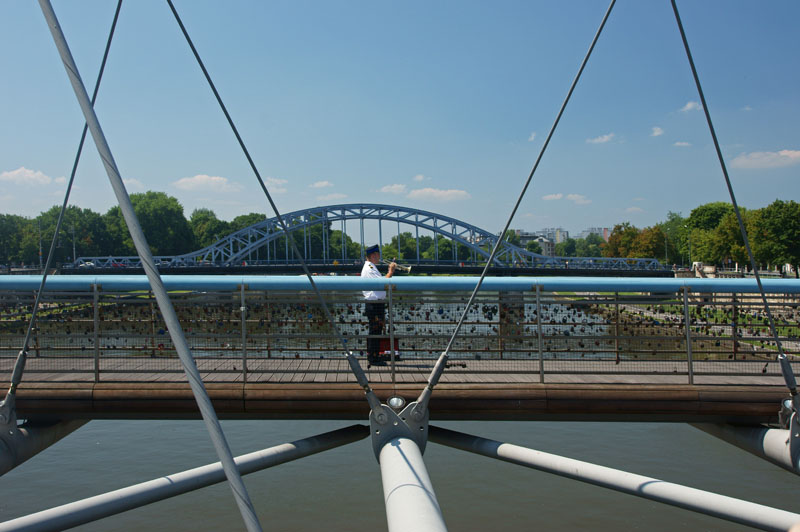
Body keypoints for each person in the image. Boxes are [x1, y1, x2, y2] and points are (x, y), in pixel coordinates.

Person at [361, 244, 396, 365]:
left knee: (377, 330)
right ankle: (373, 358)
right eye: (377, 255)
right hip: (374, 304)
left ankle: (375, 356)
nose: (379, 257)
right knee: (375, 331)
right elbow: (381, 283)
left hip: (377, 304)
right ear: (373, 255)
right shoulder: (369, 268)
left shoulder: (372, 267)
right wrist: (390, 272)